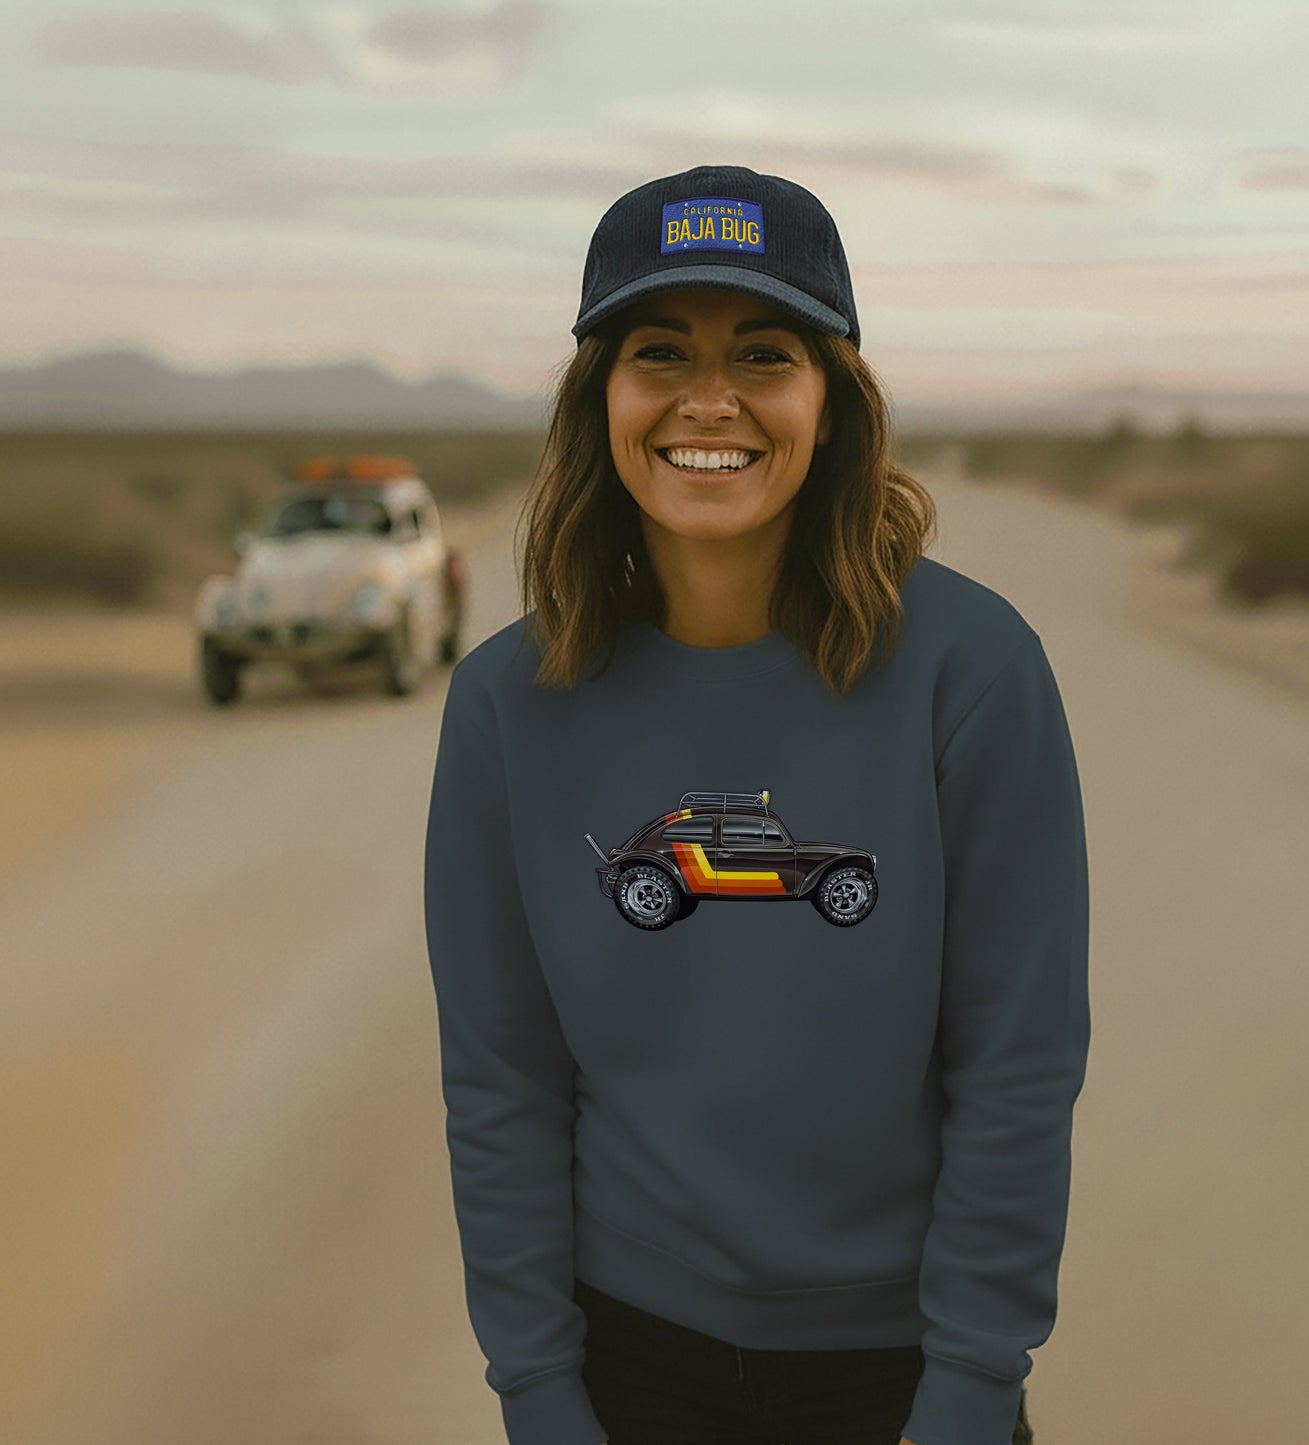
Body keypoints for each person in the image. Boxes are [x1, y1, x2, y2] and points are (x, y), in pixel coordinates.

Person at [423, 163, 1089, 1445]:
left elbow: (1015, 1065)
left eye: (765, 353)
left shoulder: (971, 669)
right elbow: (501, 1081)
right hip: (626, 1364)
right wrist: (539, 1395)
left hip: (902, 1367)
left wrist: (967, 1388)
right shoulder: (507, 704)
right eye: (658, 351)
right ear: (600, 401)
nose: (708, 401)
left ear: (831, 401)